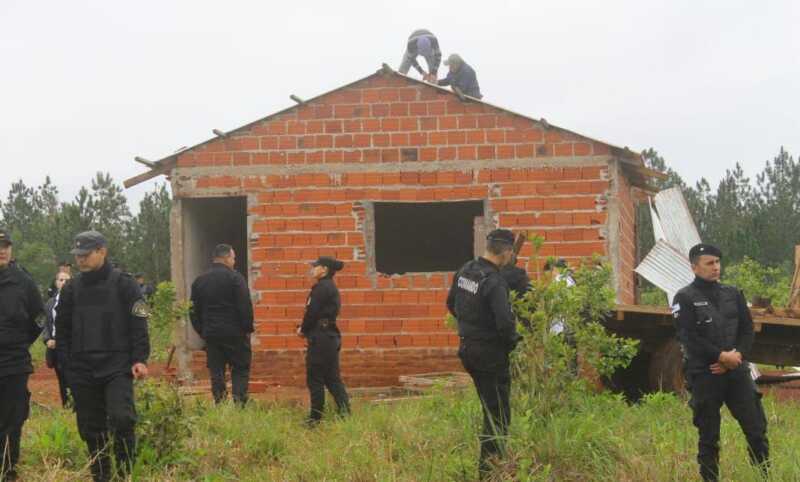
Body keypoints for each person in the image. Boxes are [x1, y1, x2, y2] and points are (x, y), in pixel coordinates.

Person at [55, 231, 150, 482]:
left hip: (117, 366)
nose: (81, 260)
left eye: (86, 255)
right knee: (90, 428)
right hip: (82, 369)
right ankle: (101, 474)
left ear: (102, 251)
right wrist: (67, 365)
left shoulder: (124, 283)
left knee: (122, 418)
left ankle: (126, 471)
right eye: (78, 256)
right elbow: (61, 330)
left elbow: (139, 322)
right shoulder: (72, 289)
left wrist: (140, 359)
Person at [673, 243, 769, 482]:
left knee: (756, 430)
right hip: (705, 374)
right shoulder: (684, 297)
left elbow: (747, 330)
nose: (715, 267)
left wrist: (734, 357)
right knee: (709, 436)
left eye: (717, 262)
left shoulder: (733, 293)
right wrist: (719, 356)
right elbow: (687, 336)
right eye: (709, 263)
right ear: (695, 267)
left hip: (736, 372)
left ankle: (764, 476)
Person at [446, 229, 520, 478]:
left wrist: (471, 326)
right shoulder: (495, 282)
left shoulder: (465, 270)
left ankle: (490, 469)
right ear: (507, 252)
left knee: (490, 409)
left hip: (468, 349)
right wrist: (510, 344)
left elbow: (450, 303)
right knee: (498, 415)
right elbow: (505, 324)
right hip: (490, 354)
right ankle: (489, 473)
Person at [0, 229, 44, 481]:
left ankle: (8, 469)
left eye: (6, 245)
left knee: (13, 419)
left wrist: (20, 342)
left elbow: (39, 317)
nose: (2, 250)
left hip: (14, 363)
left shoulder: (23, 281)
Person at [190, 244, 254, 406]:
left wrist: (202, 331)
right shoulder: (235, 278)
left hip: (211, 334)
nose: (234, 261)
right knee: (240, 368)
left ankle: (220, 403)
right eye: (233, 258)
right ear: (226, 258)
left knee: (216, 370)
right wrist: (247, 329)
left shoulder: (200, 281)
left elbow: (192, 310)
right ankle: (240, 403)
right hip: (235, 334)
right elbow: (244, 306)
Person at [297, 256, 350, 426]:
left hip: (320, 338)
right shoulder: (330, 287)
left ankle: (315, 419)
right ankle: (345, 414)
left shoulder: (321, 288)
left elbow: (311, 313)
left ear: (324, 269)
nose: (313, 269)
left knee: (315, 379)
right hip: (329, 337)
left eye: (316, 266)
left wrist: (303, 330)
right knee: (332, 378)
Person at [43, 270, 72, 408]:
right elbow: (45, 324)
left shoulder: (77, 301)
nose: (63, 282)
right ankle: (66, 405)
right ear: (56, 283)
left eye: (66, 280)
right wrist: (47, 339)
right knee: (61, 376)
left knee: (72, 377)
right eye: (61, 280)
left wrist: (60, 339)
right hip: (54, 346)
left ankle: (76, 406)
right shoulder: (49, 303)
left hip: (70, 346)